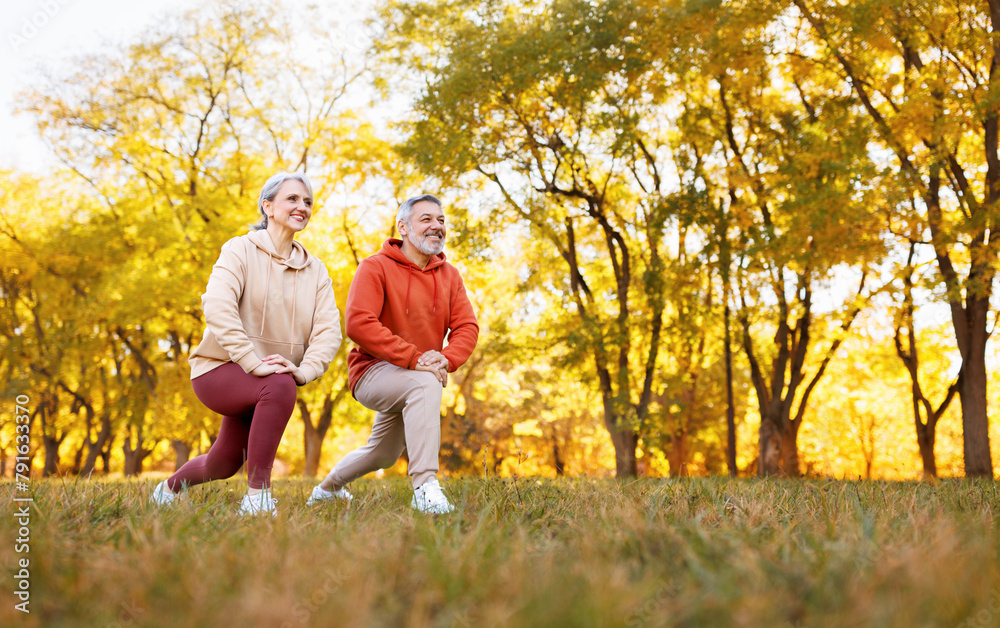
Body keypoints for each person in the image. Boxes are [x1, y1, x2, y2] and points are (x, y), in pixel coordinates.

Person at [150, 172, 342, 516]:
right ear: (267, 206)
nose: (302, 207)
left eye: (308, 201)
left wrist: (304, 370)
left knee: (223, 463)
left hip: (268, 380)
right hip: (220, 369)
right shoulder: (240, 249)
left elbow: (329, 331)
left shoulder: (317, 272)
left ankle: (166, 490)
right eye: (293, 199)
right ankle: (257, 499)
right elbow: (218, 306)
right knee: (279, 385)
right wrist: (253, 362)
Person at [309, 194, 478, 514]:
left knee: (383, 453)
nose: (436, 226)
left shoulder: (450, 275)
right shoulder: (375, 267)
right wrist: (417, 359)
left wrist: (445, 357)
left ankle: (326, 490)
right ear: (402, 227)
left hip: (415, 374)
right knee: (425, 383)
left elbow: (466, 326)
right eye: (426, 219)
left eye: (441, 220)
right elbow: (359, 324)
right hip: (373, 372)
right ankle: (426, 488)